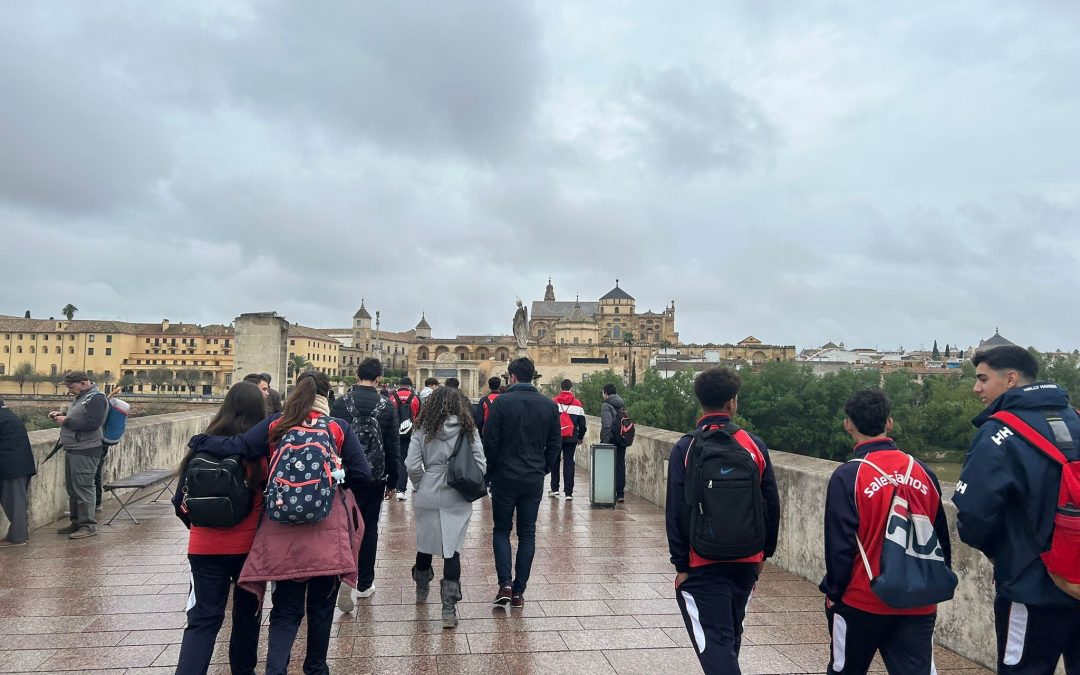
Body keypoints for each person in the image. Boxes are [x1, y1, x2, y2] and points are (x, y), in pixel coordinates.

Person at [187, 370, 371, 675]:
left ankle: (276, 669)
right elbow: (363, 474)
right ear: (328, 396)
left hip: (281, 530)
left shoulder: (277, 424)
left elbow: (238, 446)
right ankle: (315, 667)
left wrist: (201, 440)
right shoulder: (337, 427)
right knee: (321, 608)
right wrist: (334, 477)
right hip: (327, 530)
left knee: (286, 610)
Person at [952, 346, 1080, 674]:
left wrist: (1002, 554)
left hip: (1031, 588)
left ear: (1010, 379)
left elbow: (974, 515)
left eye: (982, 379)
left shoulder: (998, 433)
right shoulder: (1075, 419)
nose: (976, 388)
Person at [821, 389, 951, 675]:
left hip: (861, 598)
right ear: (889, 423)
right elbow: (940, 537)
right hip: (918, 599)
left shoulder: (848, 475)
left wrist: (834, 592)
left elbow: (839, 546)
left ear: (848, 424)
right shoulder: (923, 471)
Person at [665, 367, 780, 675]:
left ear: (699, 402)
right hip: (746, 558)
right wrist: (764, 554)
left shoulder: (686, 447)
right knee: (729, 635)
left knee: (715, 642)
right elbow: (771, 504)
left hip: (702, 560)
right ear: (732, 403)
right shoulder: (754, 445)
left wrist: (681, 566)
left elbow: (675, 510)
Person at [172, 381, 267, 675]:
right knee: (246, 617)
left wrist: (202, 527)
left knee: (202, 619)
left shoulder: (202, 445)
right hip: (247, 549)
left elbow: (179, 502)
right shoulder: (258, 452)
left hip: (203, 548)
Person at [482, 357, 561, 607]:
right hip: (533, 478)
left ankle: (504, 583)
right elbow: (555, 443)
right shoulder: (549, 406)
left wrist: (491, 472)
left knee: (502, 530)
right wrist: (545, 467)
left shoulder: (502, 403)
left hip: (505, 476)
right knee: (527, 533)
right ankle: (518, 591)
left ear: (512, 377)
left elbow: (490, 442)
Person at [405, 386, 486, 628]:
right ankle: (448, 610)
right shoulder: (468, 429)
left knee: (425, 544)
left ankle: (421, 587)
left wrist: (422, 483)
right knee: (452, 550)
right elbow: (481, 465)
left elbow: (411, 465)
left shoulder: (421, 429)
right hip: (457, 494)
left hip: (429, 489)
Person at [331, 357, 400, 610]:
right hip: (374, 477)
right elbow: (393, 446)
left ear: (357, 374)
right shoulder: (386, 405)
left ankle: (342, 577)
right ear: (379, 377)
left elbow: (331, 442)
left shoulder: (339, 404)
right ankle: (364, 584)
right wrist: (393, 479)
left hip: (345, 476)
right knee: (369, 528)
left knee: (343, 526)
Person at [51, 370, 108, 539]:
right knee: (73, 488)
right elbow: (80, 418)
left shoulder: (96, 398)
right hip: (74, 449)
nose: (69, 390)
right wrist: (61, 416)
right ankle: (76, 522)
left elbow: (92, 424)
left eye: (71, 386)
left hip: (85, 450)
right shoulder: (81, 397)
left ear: (84, 383)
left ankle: (88, 525)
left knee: (83, 488)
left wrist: (66, 421)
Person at [0, 396, 35, 548]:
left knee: (15, 505)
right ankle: (17, 535)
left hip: (11, 467)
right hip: (18, 466)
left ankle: (18, 538)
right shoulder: (8, 415)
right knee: (16, 503)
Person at [550, 379, 586, 500]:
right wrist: (580, 437)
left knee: (555, 462)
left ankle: (555, 489)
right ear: (571, 389)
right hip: (571, 438)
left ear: (561, 389)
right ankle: (568, 493)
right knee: (569, 463)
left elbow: (549, 421)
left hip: (556, 437)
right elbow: (583, 425)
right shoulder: (577, 404)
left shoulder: (553, 402)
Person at [390, 377, 422, 501]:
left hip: (394, 433)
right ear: (410, 386)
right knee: (411, 459)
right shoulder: (415, 398)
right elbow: (419, 417)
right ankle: (415, 485)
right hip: (410, 433)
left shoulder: (392, 397)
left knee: (397, 460)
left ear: (399, 385)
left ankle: (398, 488)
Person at [600, 383, 629, 502]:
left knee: (608, 466)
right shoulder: (621, 403)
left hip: (612, 439)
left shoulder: (606, 406)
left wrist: (604, 443)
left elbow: (607, 426)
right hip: (622, 438)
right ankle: (620, 493)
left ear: (606, 393)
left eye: (603, 393)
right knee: (620, 465)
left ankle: (608, 491)